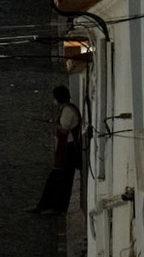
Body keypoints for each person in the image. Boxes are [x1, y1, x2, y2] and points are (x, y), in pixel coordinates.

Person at [33, 83, 82, 214]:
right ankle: (45, 205)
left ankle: (56, 208)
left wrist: (54, 123)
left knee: (63, 179)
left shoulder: (68, 111)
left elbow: (65, 130)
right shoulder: (67, 109)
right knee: (57, 178)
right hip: (64, 148)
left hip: (68, 149)